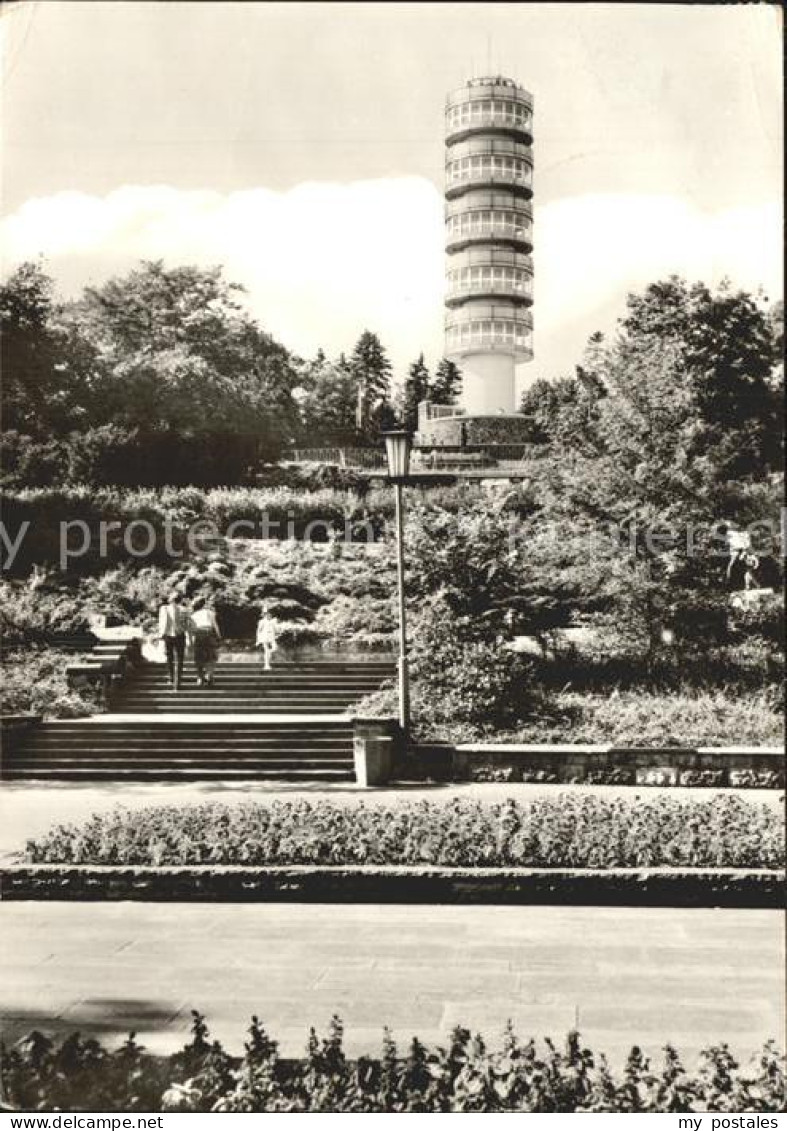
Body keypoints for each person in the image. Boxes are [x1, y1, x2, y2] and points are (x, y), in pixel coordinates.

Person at [158, 590, 193, 691]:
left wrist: (161, 635)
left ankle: (171, 678)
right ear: (180, 600)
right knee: (180, 659)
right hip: (180, 635)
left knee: (170, 657)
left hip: (168, 635)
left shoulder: (164, 608)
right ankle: (178, 681)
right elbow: (188, 625)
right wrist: (190, 638)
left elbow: (162, 623)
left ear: (170, 599)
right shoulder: (185, 610)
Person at [191, 596, 222, 687]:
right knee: (211, 656)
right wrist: (219, 636)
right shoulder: (211, 613)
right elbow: (215, 625)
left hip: (199, 634)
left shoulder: (194, 615)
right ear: (204, 604)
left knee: (199, 657)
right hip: (209, 633)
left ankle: (200, 677)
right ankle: (209, 676)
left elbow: (192, 629)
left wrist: (191, 639)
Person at [255, 602, 278, 671]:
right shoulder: (261, 621)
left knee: (275, 648)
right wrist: (258, 640)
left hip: (271, 637)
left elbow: (275, 629)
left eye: (270, 614)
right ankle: (266, 665)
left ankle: (268, 658)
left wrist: (277, 634)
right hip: (264, 637)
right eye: (267, 614)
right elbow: (258, 631)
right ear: (264, 615)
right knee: (266, 651)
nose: (269, 615)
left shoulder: (273, 621)